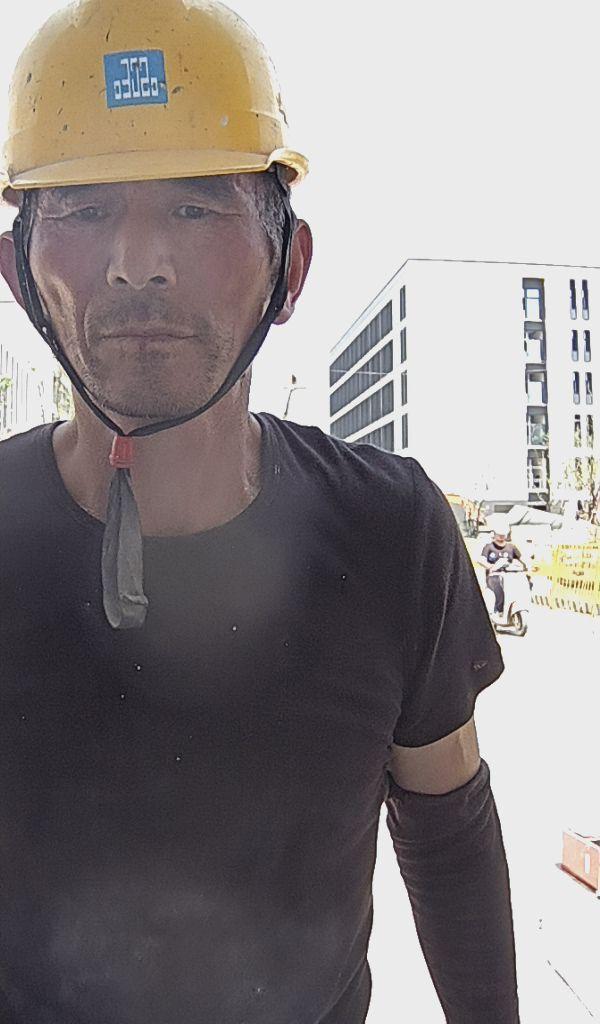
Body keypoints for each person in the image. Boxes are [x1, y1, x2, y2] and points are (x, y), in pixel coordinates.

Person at [0, 1, 520, 1021]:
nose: (138, 261)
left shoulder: (391, 533)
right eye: (86, 210)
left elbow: (448, 826)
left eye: (197, 209)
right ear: (19, 276)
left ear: (291, 269)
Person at [479, 516, 529, 622]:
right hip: (494, 576)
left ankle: (517, 607)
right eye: (499, 535)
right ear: (494, 534)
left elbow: (521, 558)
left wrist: (527, 565)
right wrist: (489, 566)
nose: (501, 537)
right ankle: (498, 610)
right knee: (499, 588)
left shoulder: (511, 547)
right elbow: (482, 559)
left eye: (503, 535)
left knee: (520, 586)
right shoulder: (489, 547)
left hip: (510, 575)